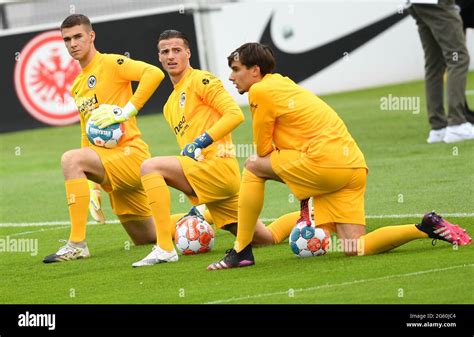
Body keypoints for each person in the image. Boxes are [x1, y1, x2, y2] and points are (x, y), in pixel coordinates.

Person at [207, 42, 472, 270]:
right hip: (352, 167)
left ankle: (241, 250)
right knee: (355, 246)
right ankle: (425, 227)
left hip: (324, 164)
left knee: (253, 166)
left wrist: (295, 177)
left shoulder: (260, 90)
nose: (231, 77)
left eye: (235, 69)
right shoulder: (282, 85)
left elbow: (263, 151)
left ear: (255, 71)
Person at [131, 30, 299, 267]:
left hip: (217, 167)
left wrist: (202, 141)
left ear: (188, 53)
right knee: (265, 238)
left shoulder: (202, 80)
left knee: (150, 167)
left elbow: (234, 114)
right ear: (159, 57)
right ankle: (313, 214)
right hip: (210, 177)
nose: (171, 56)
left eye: (177, 50)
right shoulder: (170, 105)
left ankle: (164, 248)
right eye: (165, 52)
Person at [43, 14, 167, 263]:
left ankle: (77, 244)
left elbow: (153, 73)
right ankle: (201, 216)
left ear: (91, 36)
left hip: (130, 156)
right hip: (108, 165)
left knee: (70, 159)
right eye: (67, 39)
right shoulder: (77, 84)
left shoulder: (111, 63)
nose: (72, 43)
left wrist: (127, 110)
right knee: (147, 236)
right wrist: (92, 187)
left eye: (78, 36)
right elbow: (85, 133)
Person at [407, 0, 474, 143]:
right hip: (438, 3)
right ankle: (457, 123)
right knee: (458, 57)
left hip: (416, 3)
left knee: (435, 63)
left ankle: (438, 127)